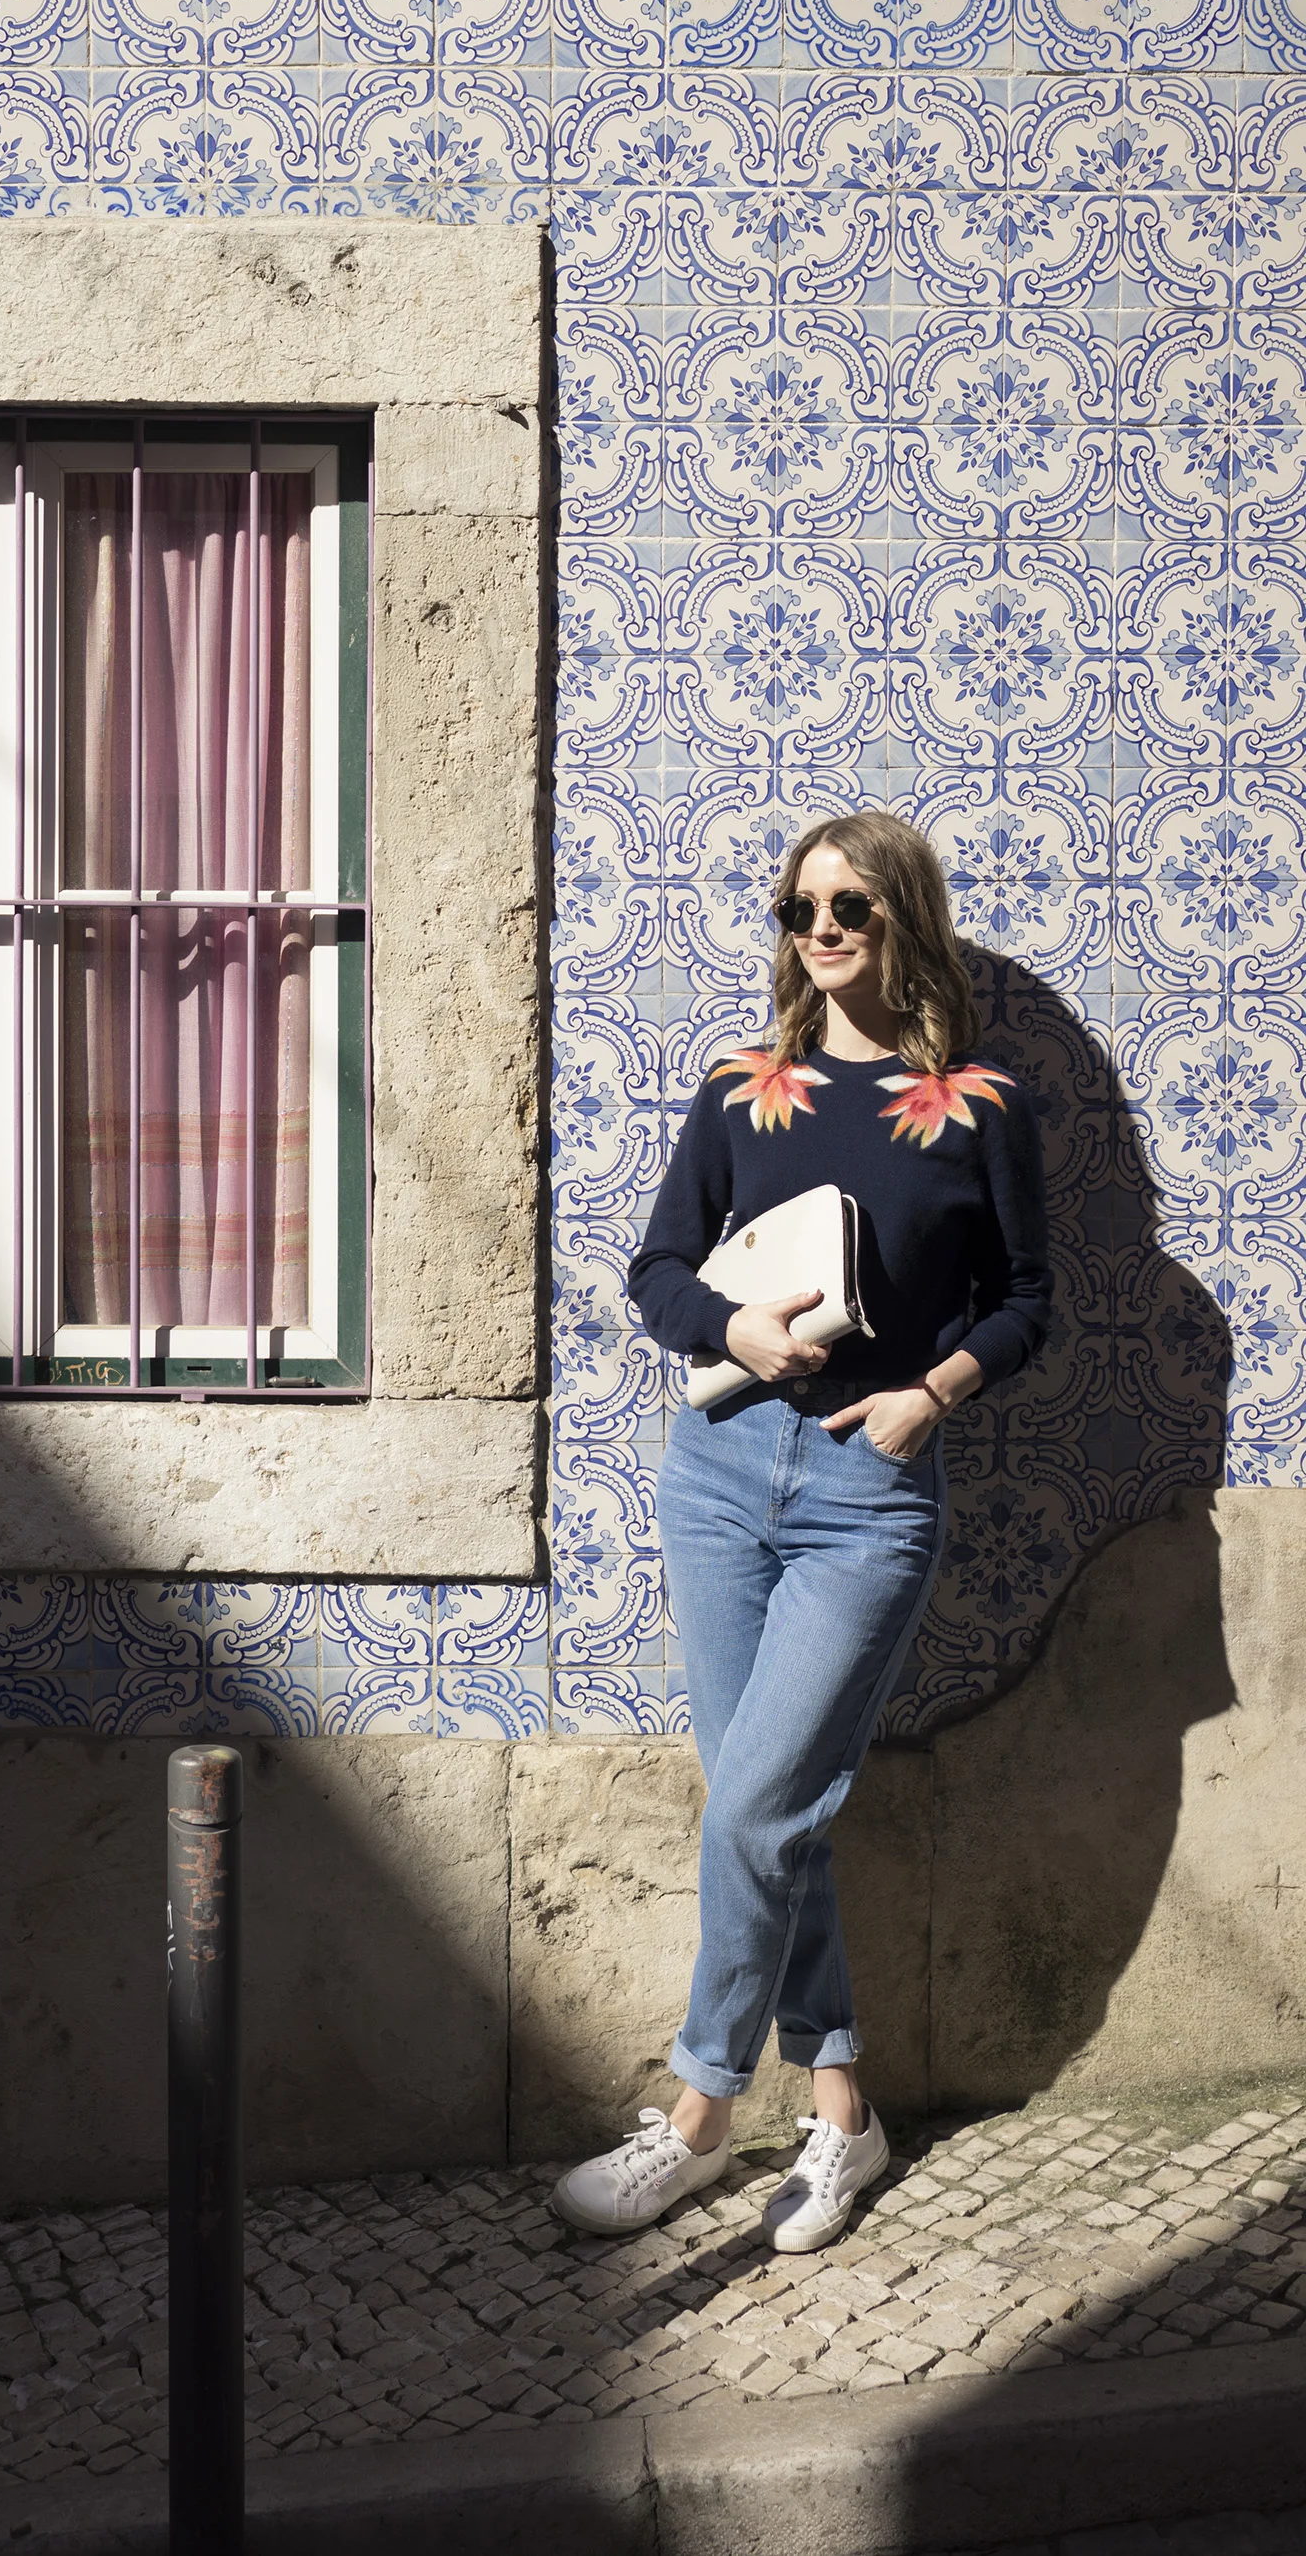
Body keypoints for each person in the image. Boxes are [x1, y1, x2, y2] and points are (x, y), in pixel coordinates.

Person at [553, 812, 1051, 2254]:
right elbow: (654, 1269)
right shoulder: (740, 1090)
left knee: (761, 1803)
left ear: (907, 920)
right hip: (714, 1474)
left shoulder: (977, 1107)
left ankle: (699, 2107)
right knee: (783, 1810)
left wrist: (930, 1397)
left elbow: (1031, 1298)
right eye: (800, 906)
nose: (821, 928)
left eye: (851, 905)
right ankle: (840, 2110)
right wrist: (733, 1325)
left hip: (867, 1494)